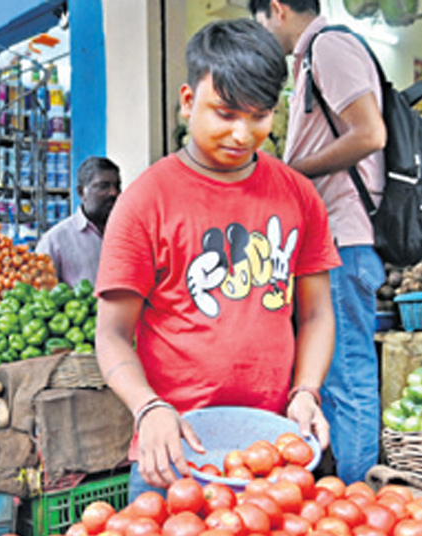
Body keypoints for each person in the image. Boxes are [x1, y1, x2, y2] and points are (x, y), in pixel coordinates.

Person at [95, 18, 340, 493]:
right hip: (174, 453)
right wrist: (148, 406)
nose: (243, 134)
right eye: (226, 114)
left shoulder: (299, 196)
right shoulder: (146, 201)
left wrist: (306, 391)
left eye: (260, 115)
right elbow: (111, 335)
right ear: (189, 102)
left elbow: (316, 315)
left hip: (272, 450)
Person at [253, 0, 388, 485]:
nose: (264, 34)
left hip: (343, 240)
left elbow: (370, 133)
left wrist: (291, 173)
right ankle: (343, 496)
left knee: (347, 377)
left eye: (261, 23)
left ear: (277, 8)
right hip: (328, 242)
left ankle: (356, 501)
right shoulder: (312, 57)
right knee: (331, 379)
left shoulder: (329, 47)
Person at [35, 156, 122, 286]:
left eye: (117, 186)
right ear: (81, 192)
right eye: (104, 186)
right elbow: (41, 295)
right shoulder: (55, 241)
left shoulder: (128, 233)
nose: (114, 193)